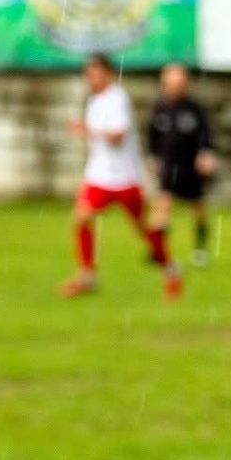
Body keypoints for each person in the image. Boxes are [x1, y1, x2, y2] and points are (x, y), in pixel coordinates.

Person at [59, 54, 183, 300]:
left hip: (124, 177)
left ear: (108, 74)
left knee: (144, 229)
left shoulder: (117, 99)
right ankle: (87, 276)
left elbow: (118, 136)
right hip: (99, 176)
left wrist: (86, 130)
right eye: (89, 75)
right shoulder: (94, 100)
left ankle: (171, 268)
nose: (92, 80)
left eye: (96, 75)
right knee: (82, 218)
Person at [146, 62, 218, 268]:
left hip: (191, 166)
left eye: (179, 82)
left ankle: (200, 249)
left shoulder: (195, 108)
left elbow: (207, 135)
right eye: (171, 82)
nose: (175, 86)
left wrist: (206, 154)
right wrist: (152, 157)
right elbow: (152, 137)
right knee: (162, 208)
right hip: (169, 166)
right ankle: (159, 251)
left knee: (198, 209)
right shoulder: (159, 108)